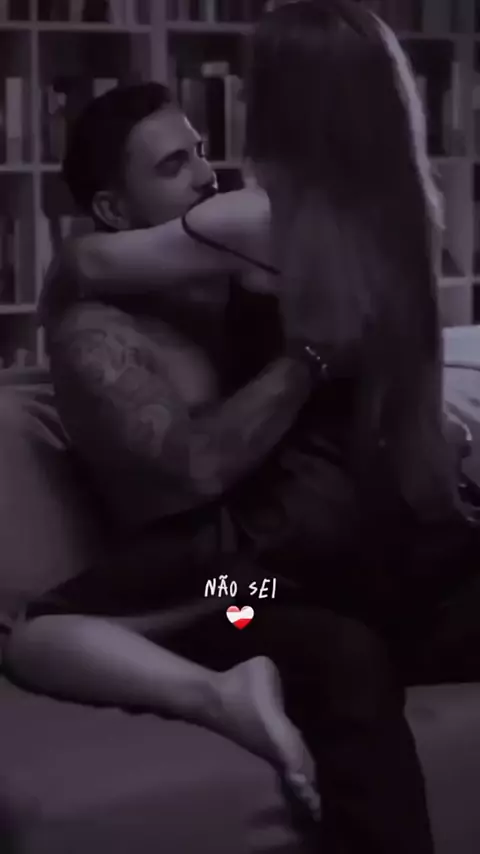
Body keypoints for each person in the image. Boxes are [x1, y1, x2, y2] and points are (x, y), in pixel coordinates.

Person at [6, 2, 480, 852]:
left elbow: (83, 261)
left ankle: (229, 687)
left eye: (202, 150)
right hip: (274, 576)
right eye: (176, 163)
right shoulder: (408, 211)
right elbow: (191, 470)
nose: (207, 175)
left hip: (295, 564)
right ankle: (225, 691)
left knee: (46, 635)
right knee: (313, 642)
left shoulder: (257, 234)